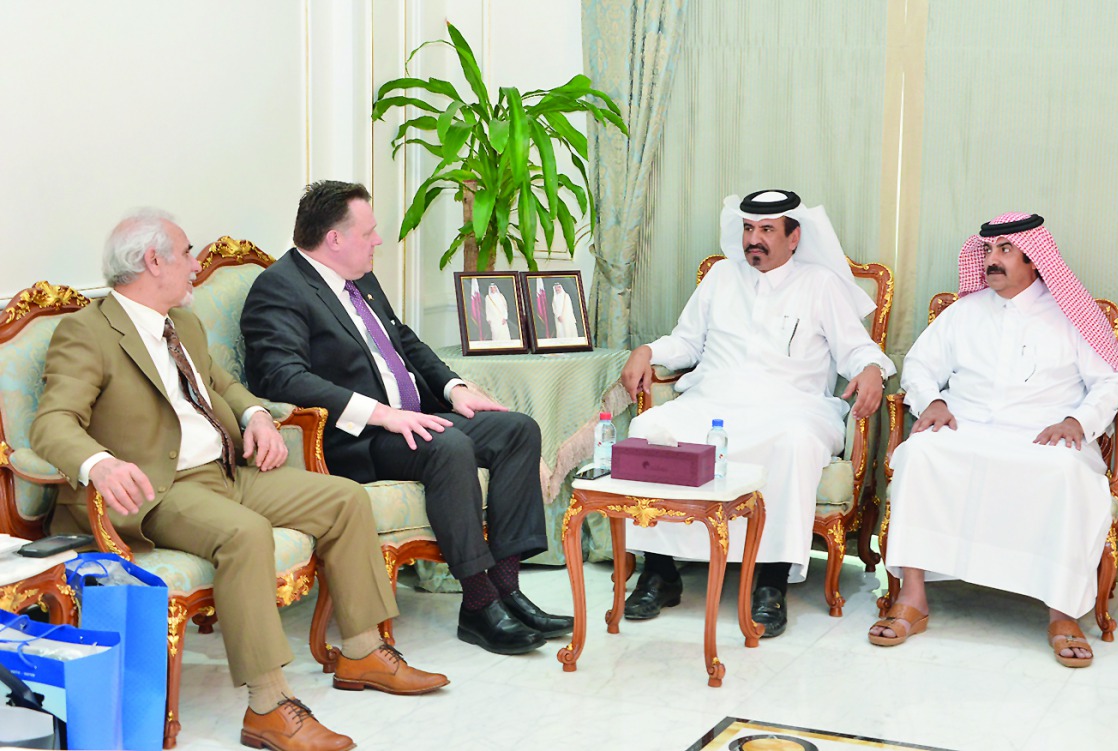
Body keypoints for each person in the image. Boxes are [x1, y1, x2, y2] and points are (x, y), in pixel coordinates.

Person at [31, 209, 448, 751]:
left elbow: (224, 384)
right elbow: (51, 422)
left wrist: (253, 416)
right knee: (244, 533)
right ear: (153, 262)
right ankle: (269, 706)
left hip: (225, 471)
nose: (196, 263)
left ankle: (363, 651)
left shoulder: (184, 324)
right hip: (160, 490)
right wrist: (100, 464)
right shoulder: (87, 331)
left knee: (344, 499)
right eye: (185, 253)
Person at [240, 180, 571, 657]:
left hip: (414, 419)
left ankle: (506, 588)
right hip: (356, 440)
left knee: (517, 429)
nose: (378, 241)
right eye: (369, 232)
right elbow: (282, 378)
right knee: (449, 446)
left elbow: (405, 342)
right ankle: (478, 604)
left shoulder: (360, 280)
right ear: (334, 239)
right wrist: (383, 415)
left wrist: (455, 389)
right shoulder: (279, 289)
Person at [868, 212, 1118, 668]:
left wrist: (1079, 420)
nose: (991, 260)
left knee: (1067, 473)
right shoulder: (964, 311)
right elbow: (918, 365)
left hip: (1043, 434)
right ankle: (913, 599)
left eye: (1004, 251)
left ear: (1035, 260)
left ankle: (1062, 613)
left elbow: (1112, 383)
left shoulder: (1071, 315)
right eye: (988, 251)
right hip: (967, 426)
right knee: (919, 454)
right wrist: (931, 401)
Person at [619, 189, 895, 637]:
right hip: (714, 402)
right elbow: (686, 342)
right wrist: (647, 349)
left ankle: (770, 582)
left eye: (767, 230)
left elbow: (856, 348)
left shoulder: (820, 284)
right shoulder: (722, 277)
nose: (754, 240)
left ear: (794, 237)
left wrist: (870, 369)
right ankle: (659, 572)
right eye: (749, 229)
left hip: (792, 406)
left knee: (795, 443)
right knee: (650, 426)